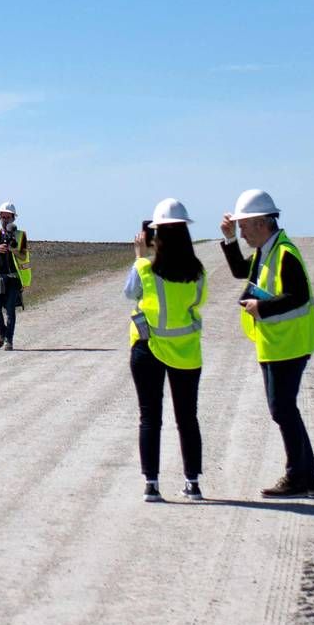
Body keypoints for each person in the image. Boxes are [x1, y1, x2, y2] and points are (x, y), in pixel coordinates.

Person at [220, 188, 314, 498]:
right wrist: (228, 241)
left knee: (282, 410)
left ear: (262, 223)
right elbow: (241, 271)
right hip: (275, 343)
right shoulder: (269, 250)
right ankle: (307, 477)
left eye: (244, 227)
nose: (242, 232)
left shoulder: (284, 253)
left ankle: (297, 477)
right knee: (284, 409)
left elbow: (298, 295)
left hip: (289, 344)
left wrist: (262, 308)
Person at [123, 198, 206, 502]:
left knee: (150, 417)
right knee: (187, 419)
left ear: (155, 235)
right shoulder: (198, 272)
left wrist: (139, 257)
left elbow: (129, 293)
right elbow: (197, 302)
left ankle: (152, 484)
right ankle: (192, 483)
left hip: (148, 349)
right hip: (186, 352)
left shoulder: (145, 268)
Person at [0, 201, 32, 349]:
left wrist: (13, 250)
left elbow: (24, 256)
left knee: (10, 311)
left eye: (8, 217)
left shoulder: (20, 235)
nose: (5, 220)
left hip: (13, 279)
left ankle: (8, 341)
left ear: (13, 218)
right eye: (2, 217)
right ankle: (2, 333)